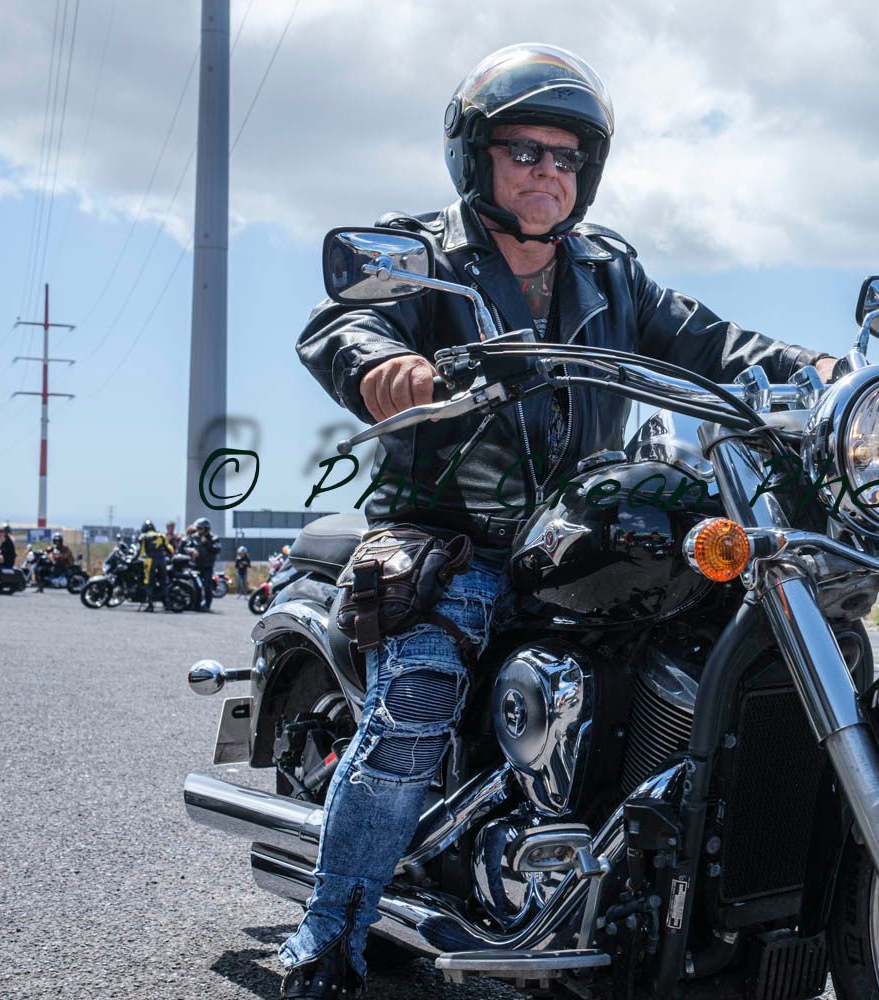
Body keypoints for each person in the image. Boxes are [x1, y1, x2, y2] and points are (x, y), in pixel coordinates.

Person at [280, 42, 840, 998]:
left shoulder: (609, 272)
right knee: (416, 702)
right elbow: (342, 324)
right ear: (478, 157)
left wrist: (813, 371)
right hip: (448, 532)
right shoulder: (427, 255)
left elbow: (711, 341)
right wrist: (383, 367)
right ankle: (331, 930)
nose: (548, 172)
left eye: (567, 157)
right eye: (526, 151)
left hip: (571, 535)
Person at [137, 519, 174, 612]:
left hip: (150, 561)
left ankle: (150, 605)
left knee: (149, 583)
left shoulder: (144, 536)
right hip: (162, 561)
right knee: (163, 582)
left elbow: (141, 551)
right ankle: (168, 604)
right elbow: (170, 549)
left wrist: (133, 558)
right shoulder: (161, 535)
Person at [191, 517, 221, 611]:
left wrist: (207, 543)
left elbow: (217, 549)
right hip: (196, 565)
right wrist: (191, 551)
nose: (199, 530)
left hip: (207, 566)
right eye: (198, 528)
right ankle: (196, 605)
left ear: (206, 529)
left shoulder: (214, 538)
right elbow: (186, 546)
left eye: (201, 528)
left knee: (207, 586)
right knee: (196, 586)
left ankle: (207, 606)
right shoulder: (194, 536)